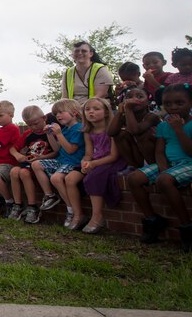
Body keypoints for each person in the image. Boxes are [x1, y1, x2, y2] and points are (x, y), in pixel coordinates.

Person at [125, 83, 192, 250]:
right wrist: (164, 169)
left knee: (164, 180)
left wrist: (179, 130)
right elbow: (159, 152)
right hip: (172, 165)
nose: (173, 107)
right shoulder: (164, 125)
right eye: (168, 104)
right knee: (134, 178)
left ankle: (188, 228)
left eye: (179, 103)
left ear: (191, 102)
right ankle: (152, 220)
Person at [32, 99, 86, 228]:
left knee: (56, 178)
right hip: (62, 161)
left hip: (74, 163)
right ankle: (50, 195)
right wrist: (50, 135)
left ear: (74, 112)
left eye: (61, 112)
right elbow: (57, 149)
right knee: (36, 164)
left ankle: (71, 210)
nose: (58, 116)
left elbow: (71, 150)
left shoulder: (78, 128)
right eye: (56, 114)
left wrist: (59, 134)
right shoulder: (65, 130)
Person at [79, 98, 128, 234]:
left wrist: (93, 164)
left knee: (92, 178)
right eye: (87, 109)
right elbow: (88, 153)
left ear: (106, 112)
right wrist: (85, 161)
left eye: (96, 109)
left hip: (113, 161)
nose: (91, 112)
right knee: (84, 174)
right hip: (97, 160)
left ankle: (97, 216)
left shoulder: (111, 129)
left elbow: (114, 156)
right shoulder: (88, 131)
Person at [8, 105, 57, 223]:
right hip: (29, 161)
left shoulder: (51, 132)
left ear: (44, 118)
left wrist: (42, 157)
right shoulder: (28, 134)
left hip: (43, 163)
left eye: (35, 123)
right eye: (29, 125)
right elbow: (13, 149)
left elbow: (57, 152)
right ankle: (17, 205)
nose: (33, 127)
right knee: (14, 171)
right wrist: (18, 155)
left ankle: (32, 207)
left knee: (24, 173)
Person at [108, 86, 160, 169]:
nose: (134, 99)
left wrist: (128, 109)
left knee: (144, 135)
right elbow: (111, 133)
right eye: (129, 97)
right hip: (138, 154)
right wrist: (120, 113)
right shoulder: (125, 116)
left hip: (155, 155)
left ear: (148, 102)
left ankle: (152, 167)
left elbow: (135, 131)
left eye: (140, 96)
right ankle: (135, 166)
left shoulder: (152, 117)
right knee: (120, 135)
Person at [60, 41, 113, 105]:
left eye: (84, 51)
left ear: (91, 54)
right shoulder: (67, 72)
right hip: (73, 110)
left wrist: (82, 108)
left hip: (96, 108)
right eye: (77, 51)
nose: (80, 53)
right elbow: (64, 97)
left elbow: (100, 95)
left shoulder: (100, 69)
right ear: (72, 54)